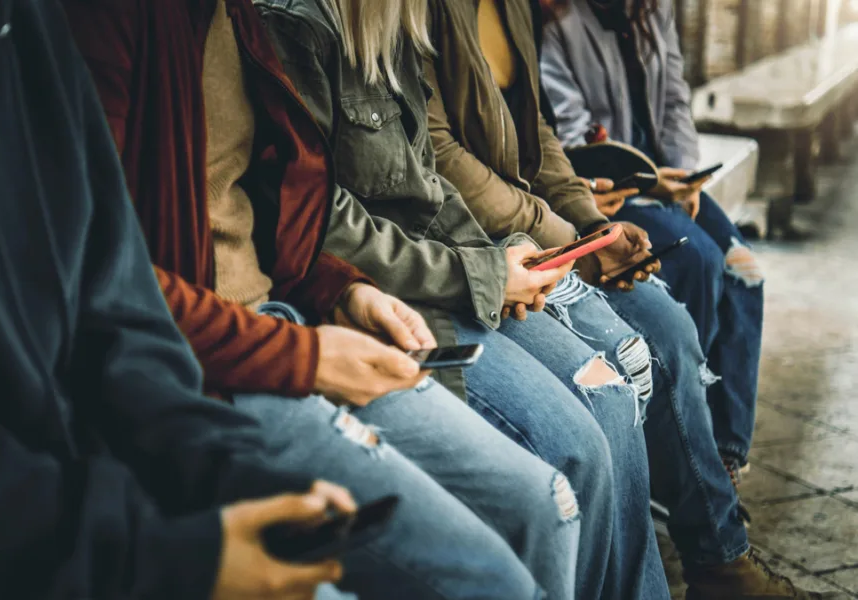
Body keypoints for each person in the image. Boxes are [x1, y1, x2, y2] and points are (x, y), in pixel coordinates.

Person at [62, 0, 582, 598]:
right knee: (496, 572)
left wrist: (341, 289)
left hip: (304, 321)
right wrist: (306, 352)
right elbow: (98, 276)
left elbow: (277, 205)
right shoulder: (123, 21)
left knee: (546, 501)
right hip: (216, 366)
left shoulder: (241, 20)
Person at [255, 0, 681, 598]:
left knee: (616, 387)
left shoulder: (398, 27)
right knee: (573, 456)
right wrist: (490, 268)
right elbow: (319, 220)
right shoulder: (296, 25)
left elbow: (436, 182)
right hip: (403, 295)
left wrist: (503, 264)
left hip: (470, 264)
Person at [421, 0, 839, 598]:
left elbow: (537, 130)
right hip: (488, 243)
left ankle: (718, 549)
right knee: (623, 370)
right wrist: (570, 235)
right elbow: (443, 156)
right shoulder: (439, 14)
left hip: (545, 229)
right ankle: (702, 523)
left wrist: (594, 225)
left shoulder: (524, 8)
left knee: (670, 322)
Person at [0, 1, 350, 598]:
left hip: (137, 452)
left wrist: (229, 470)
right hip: (73, 525)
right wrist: (156, 554)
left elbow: (107, 285)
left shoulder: (17, 22)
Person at [539, 0, 765, 481]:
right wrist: (650, 179)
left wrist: (684, 176)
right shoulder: (558, 19)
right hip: (617, 187)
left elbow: (674, 100)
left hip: (668, 180)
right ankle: (682, 446)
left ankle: (724, 444)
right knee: (699, 259)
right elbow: (574, 131)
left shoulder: (653, 10)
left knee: (745, 269)